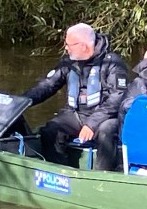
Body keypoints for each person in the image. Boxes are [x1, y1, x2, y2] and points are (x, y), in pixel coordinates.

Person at [22, 23, 129, 170]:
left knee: (107, 130)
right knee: (50, 130)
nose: (66, 48)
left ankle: (101, 178)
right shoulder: (69, 62)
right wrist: (22, 102)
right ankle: (60, 172)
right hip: (77, 114)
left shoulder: (112, 63)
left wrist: (92, 123)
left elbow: (118, 97)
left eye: (69, 44)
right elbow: (48, 85)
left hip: (105, 117)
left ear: (83, 46)